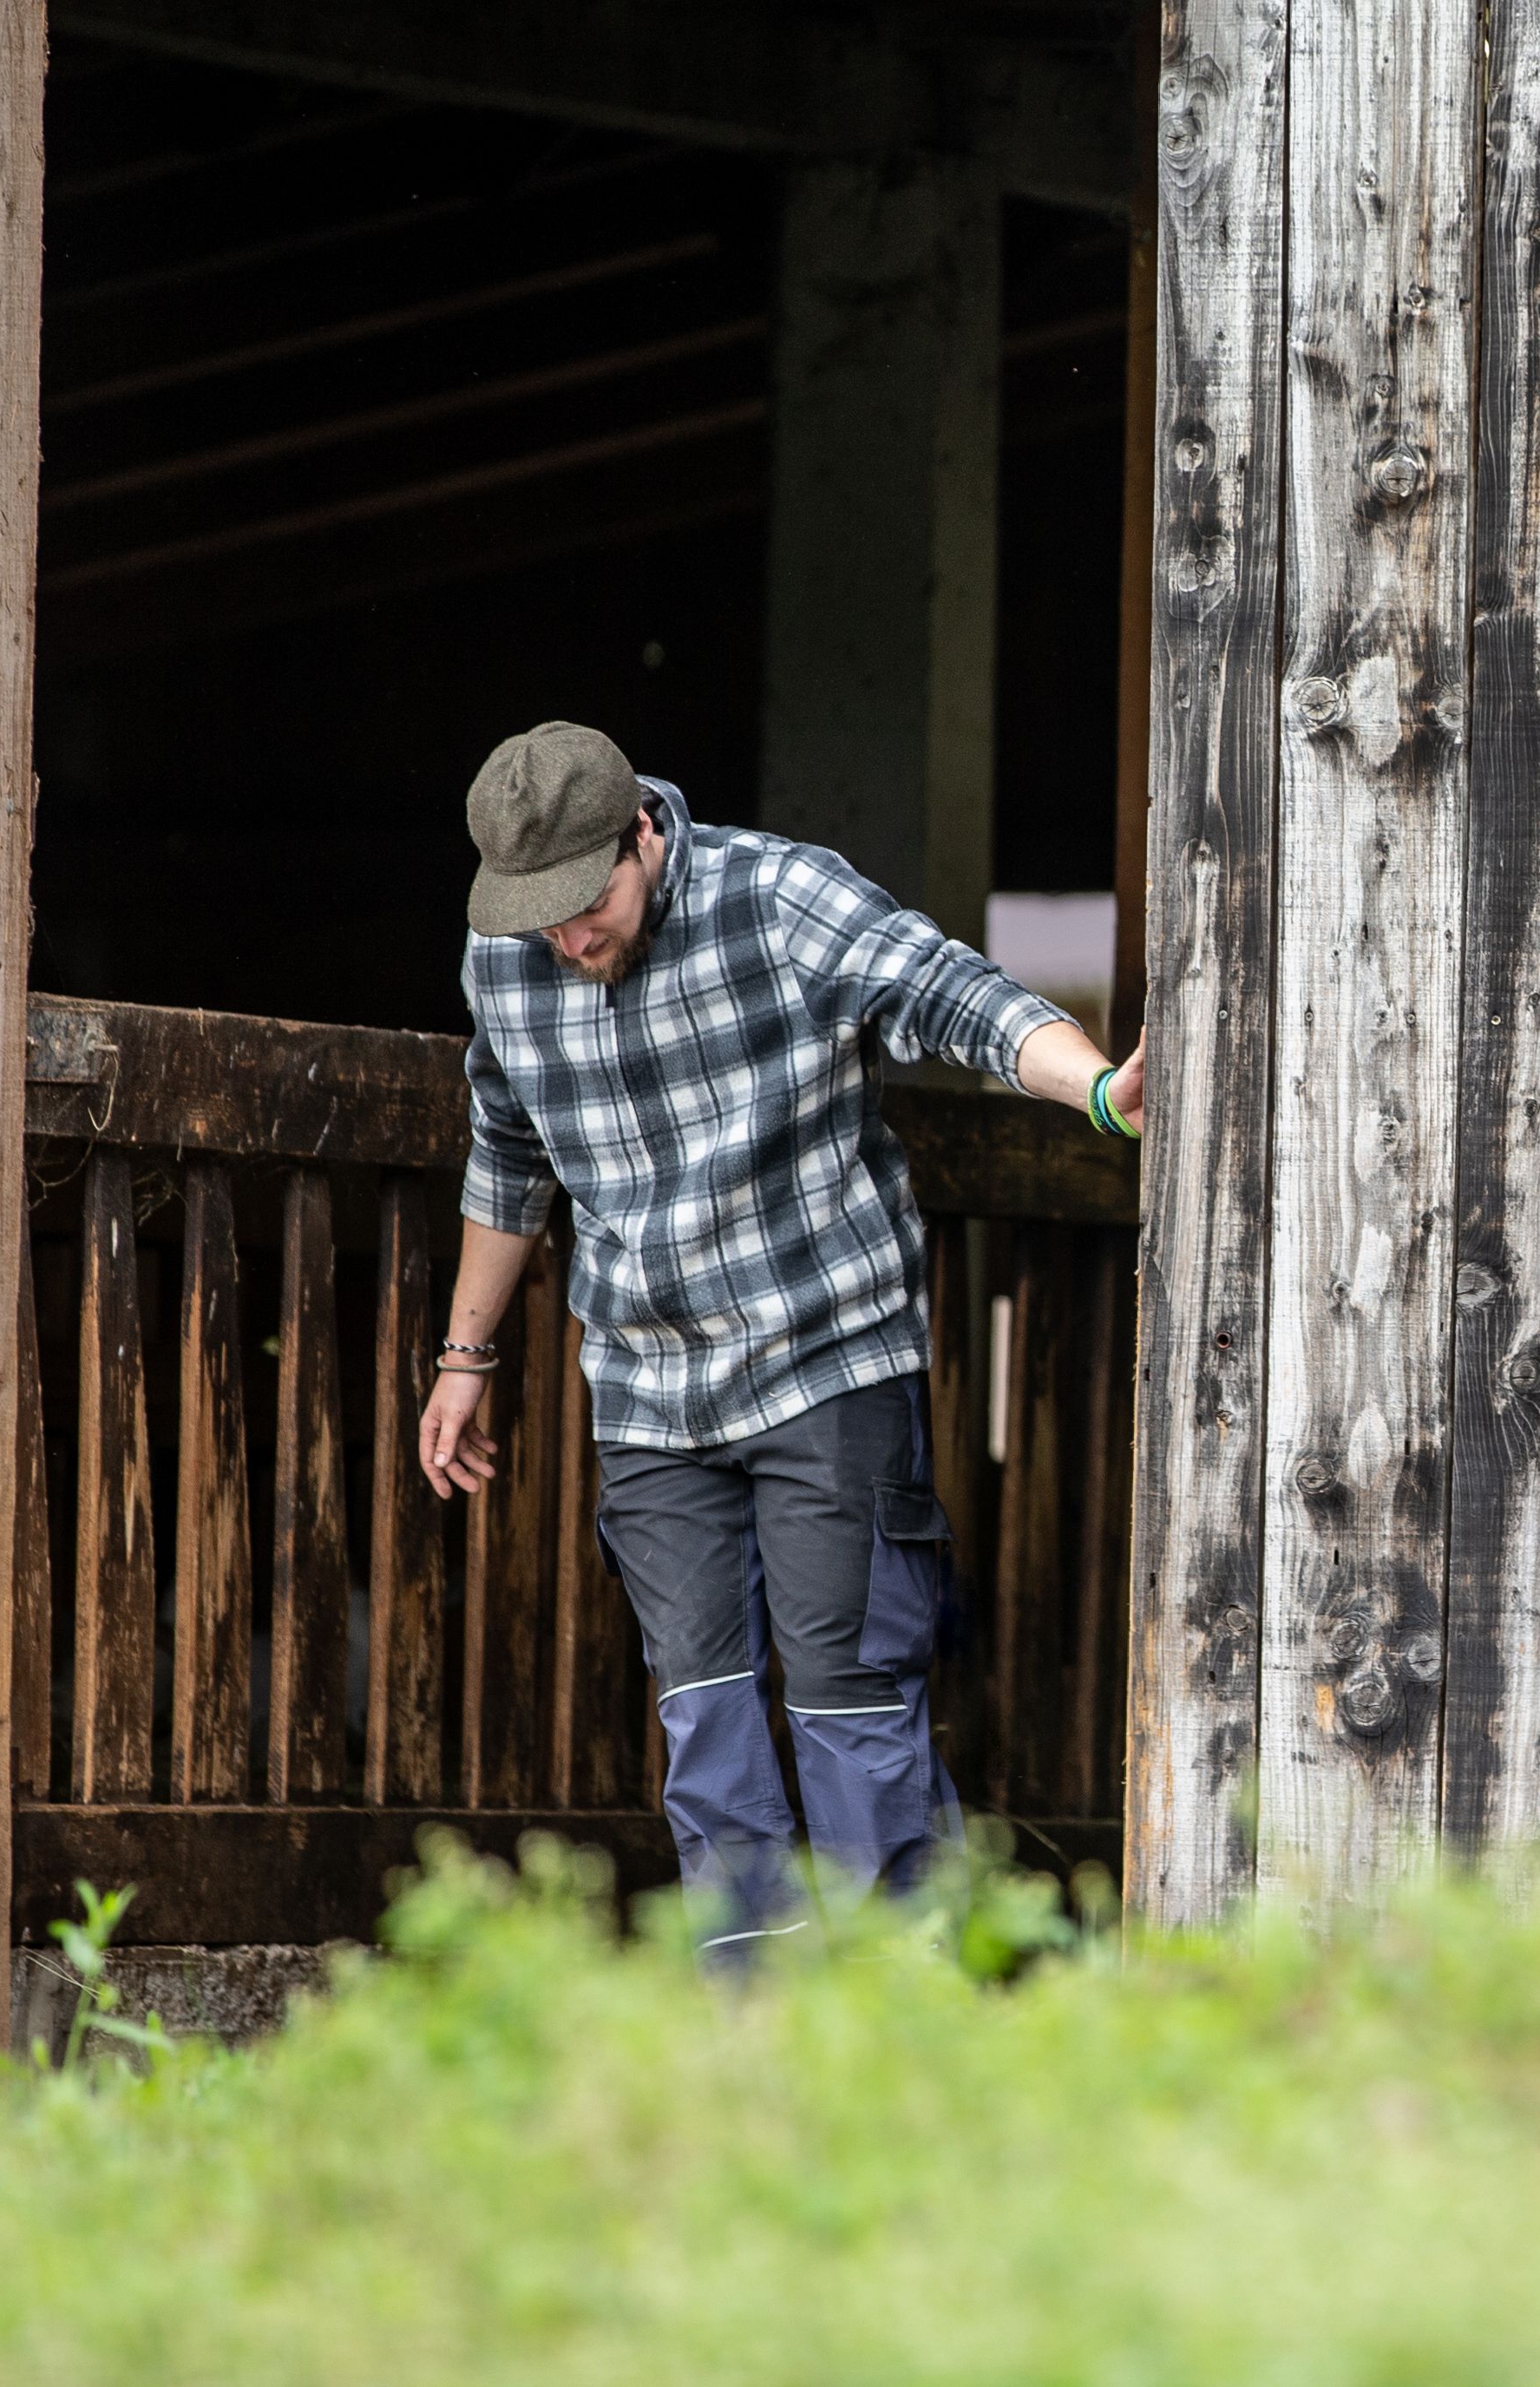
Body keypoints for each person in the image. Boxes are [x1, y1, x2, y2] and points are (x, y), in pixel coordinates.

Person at [420, 719, 1142, 1962]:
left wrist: (1089, 1086)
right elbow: (508, 1151)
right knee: (705, 1734)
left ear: (645, 831)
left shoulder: (784, 898)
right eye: (536, 917)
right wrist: (463, 1358)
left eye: (584, 905)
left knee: (851, 1716)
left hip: (827, 1370)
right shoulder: (510, 961)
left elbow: (953, 994)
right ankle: (757, 2039)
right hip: (651, 1393)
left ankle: (903, 2027)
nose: (566, 939)